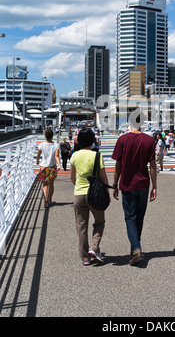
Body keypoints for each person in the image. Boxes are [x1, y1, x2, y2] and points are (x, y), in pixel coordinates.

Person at [112, 112, 157, 266]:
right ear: (143, 123)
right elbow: (153, 166)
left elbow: (118, 165)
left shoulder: (122, 140)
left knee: (130, 217)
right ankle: (135, 248)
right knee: (139, 217)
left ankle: (136, 249)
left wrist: (115, 184)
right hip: (143, 184)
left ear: (129, 121)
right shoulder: (149, 141)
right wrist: (154, 186)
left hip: (127, 184)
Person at [70, 128, 109, 266]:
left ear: (79, 141)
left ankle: (85, 258)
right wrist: (107, 193)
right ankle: (94, 248)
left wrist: (78, 186)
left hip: (79, 193)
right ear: (92, 141)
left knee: (81, 226)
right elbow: (104, 178)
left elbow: (72, 177)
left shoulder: (74, 155)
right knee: (99, 222)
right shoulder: (97, 156)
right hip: (95, 194)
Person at [36, 128, 61, 208]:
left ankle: (45, 200)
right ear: (52, 136)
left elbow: (38, 155)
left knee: (45, 184)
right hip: (52, 166)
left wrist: (37, 161)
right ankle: (50, 199)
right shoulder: (56, 145)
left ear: (45, 136)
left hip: (43, 166)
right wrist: (59, 164)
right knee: (51, 184)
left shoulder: (41, 144)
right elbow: (56, 156)